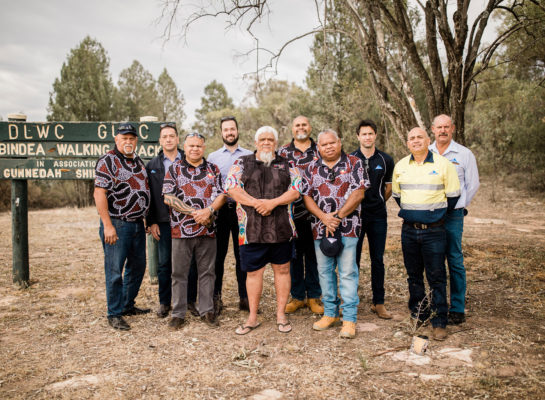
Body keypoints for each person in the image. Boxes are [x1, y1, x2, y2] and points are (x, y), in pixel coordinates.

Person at [226, 126, 301, 335]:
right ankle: (252, 317)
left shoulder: (288, 164)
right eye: (262, 139)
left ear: (276, 143)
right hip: (251, 230)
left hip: (282, 229)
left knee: (283, 270)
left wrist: (273, 203)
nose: (266, 142)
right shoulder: (242, 162)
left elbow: (296, 190)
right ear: (256, 141)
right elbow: (231, 187)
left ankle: (281, 315)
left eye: (270, 139)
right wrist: (257, 203)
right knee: (253, 273)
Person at [392, 127, 460, 341]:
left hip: (435, 231)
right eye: (411, 138)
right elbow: (397, 196)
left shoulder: (443, 165)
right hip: (409, 230)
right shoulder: (401, 166)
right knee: (413, 275)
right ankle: (419, 314)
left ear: (428, 140)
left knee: (437, 276)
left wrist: (432, 215)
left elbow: (452, 198)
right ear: (407, 143)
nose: (416, 141)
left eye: (420, 137)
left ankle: (439, 321)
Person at [303, 129, 370, 339]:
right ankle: (330, 313)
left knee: (348, 272)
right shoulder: (311, 168)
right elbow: (306, 197)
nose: (329, 147)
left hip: (348, 227)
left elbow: (359, 192)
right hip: (320, 228)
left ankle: (349, 318)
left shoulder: (354, 163)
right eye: (324, 145)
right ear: (318, 148)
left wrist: (338, 217)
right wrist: (324, 218)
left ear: (339, 143)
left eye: (332, 143)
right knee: (324, 271)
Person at [162, 132, 226, 329]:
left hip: (207, 230)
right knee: (179, 273)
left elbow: (223, 195)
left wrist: (208, 211)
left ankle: (207, 310)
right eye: (191, 146)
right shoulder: (175, 169)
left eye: (198, 146)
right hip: (181, 231)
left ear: (203, 147)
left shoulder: (213, 169)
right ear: (185, 147)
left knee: (207, 272)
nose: (195, 149)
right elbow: (168, 197)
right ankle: (178, 313)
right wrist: (194, 213)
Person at [94, 123, 151, 331]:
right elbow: (99, 193)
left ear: (136, 141)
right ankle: (114, 313)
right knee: (115, 270)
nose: (128, 141)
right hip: (117, 223)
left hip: (137, 224)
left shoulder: (138, 162)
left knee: (137, 268)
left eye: (131, 138)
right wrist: (107, 225)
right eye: (124, 138)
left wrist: (146, 217)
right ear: (116, 139)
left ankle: (127, 305)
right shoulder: (108, 161)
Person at [429, 114, 480, 325]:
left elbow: (473, 184)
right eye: (439, 127)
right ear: (432, 129)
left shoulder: (464, 154)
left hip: (452, 215)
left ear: (453, 128)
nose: (442, 130)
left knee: (455, 260)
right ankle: (436, 304)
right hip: (431, 214)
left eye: (446, 127)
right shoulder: (426, 152)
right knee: (433, 260)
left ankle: (457, 306)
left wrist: (458, 206)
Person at [145, 123, 198, 319]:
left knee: (190, 263)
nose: (168, 139)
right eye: (164, 136)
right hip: (164, 221)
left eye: (171, 136)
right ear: (160, 141)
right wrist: (151, 221)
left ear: (177, 139)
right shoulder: (152, 165)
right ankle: (165, 302)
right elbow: (149, 195)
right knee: (165, 263)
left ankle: (190, 300)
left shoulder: (191, 159)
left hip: (187, 220)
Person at [207, 116, 253, 314]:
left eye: (232, 129)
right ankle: (216, 298)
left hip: (243, 212)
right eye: (226, 130)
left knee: (243, 255)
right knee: (217, 257)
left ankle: (245, 297)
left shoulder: (250, 155)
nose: (229, 132)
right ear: (221, 133)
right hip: (220, 212)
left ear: (237, 130)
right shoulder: (212, 157)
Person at [278, 116, 323, 315]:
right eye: (297, 125)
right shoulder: (283, 152)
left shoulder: (320, 148)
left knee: (314, 255)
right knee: (294, 256)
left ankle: (314, 296)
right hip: (291, 212)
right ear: (292, 129)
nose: (301, 127)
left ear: (310, 127)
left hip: (317, 212)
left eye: (304, 124)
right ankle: (297, 297)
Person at [351, 119, 395, 320]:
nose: (367, 137)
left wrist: (377, 202)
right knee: (353, 259)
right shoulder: (350, 158)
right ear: (358, 136)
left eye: (371, 133)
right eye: (364, 134)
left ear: (375, 135)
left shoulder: (386, 159)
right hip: (355, 217)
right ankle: (352, 301)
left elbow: (388, 188)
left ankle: (379, 302)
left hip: (378, 216)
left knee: (378, 259)